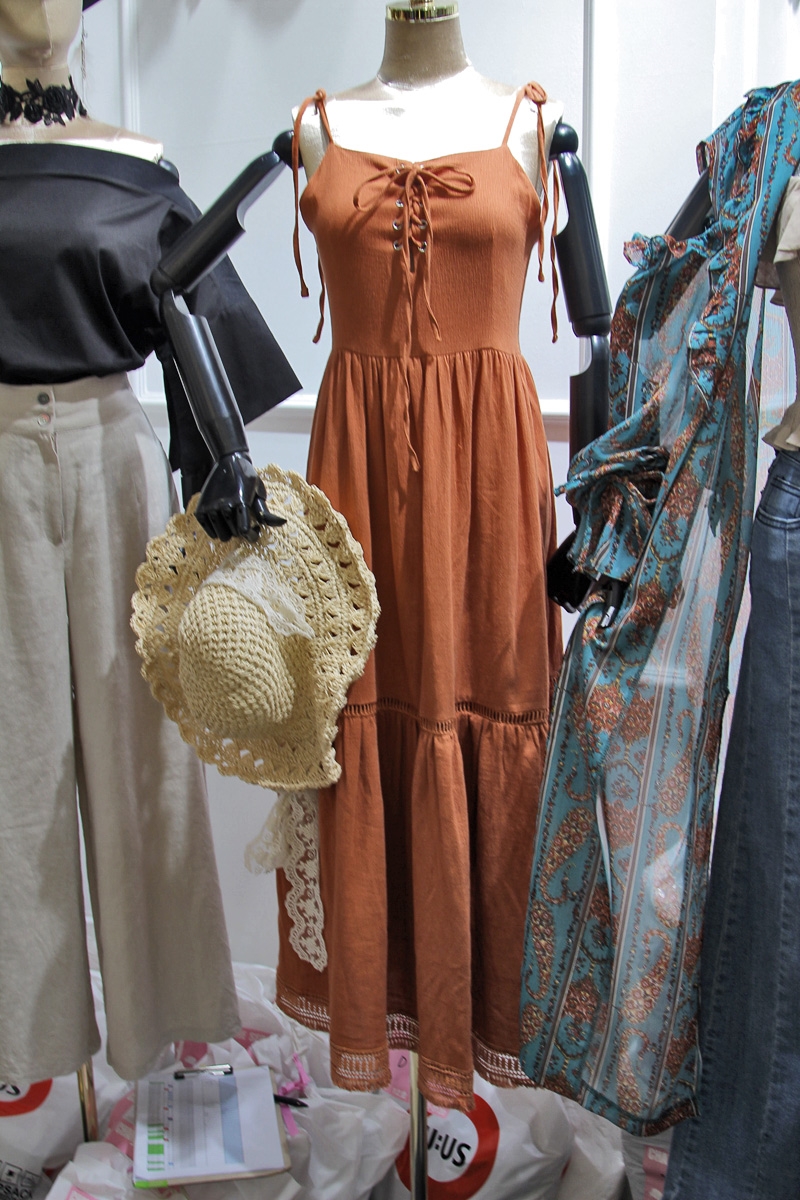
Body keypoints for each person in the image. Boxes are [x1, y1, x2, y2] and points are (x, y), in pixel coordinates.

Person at [0, 0, 299, 1084]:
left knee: (142, 756)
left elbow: (193, 319)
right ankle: (29, 1049)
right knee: (14, 758)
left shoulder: (136, 163)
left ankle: (157, 1025)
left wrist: (223, 464)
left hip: (110, 452)